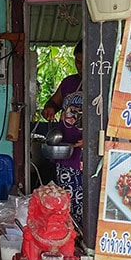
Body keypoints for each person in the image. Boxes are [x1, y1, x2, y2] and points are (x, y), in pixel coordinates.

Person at [40, 39, 84, 226]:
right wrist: (49, 108)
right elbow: (53, 103)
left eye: (84, 62)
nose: (80, 66)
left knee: (86, 202)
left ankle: (86, 240)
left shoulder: (104, 85)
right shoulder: (69, 83)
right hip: (66, 155)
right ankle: (69, 237)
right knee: (67, 202)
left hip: (88, 157)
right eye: (77, 61)